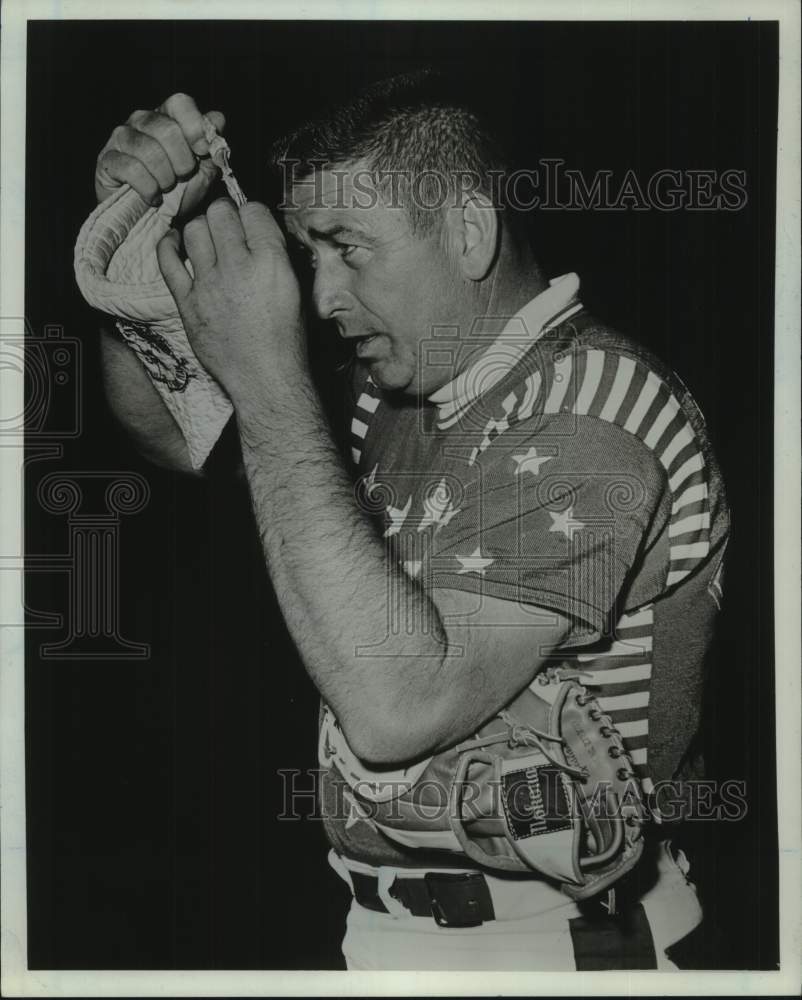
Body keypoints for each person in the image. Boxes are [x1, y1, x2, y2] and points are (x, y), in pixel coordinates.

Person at [91, 73, 729, 970]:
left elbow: (400, 708)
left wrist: (271, 378)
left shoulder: (598, 411)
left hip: (561, 945)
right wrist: (143, 243)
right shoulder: (395, 392)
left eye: (349, 246)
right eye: (312, 255)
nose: (322, 297)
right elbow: (172, 436)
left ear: (468, 232)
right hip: (389, 934)